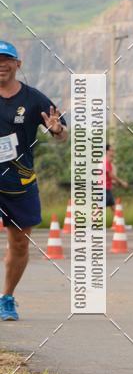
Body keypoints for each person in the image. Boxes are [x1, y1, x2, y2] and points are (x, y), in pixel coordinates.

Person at [0, 40, 67, 320]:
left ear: (18, 64)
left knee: (19, 243)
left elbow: (62, 135)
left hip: (20, 183)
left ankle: (7, 298)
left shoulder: (34, 99)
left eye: (6, 59)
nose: (1, 65)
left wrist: (56, 130)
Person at [103, 143, 128, 224]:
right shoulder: (105, 162)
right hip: (103, 189)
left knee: (114, 208)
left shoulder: (108, 162)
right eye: (111, 150)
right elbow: (110, 175)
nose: (113, 152)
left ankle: (120, 224)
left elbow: (107, 176)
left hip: (107, 188)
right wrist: (121, 182)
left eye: (113, 151)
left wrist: (113, 182)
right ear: (107, 152)